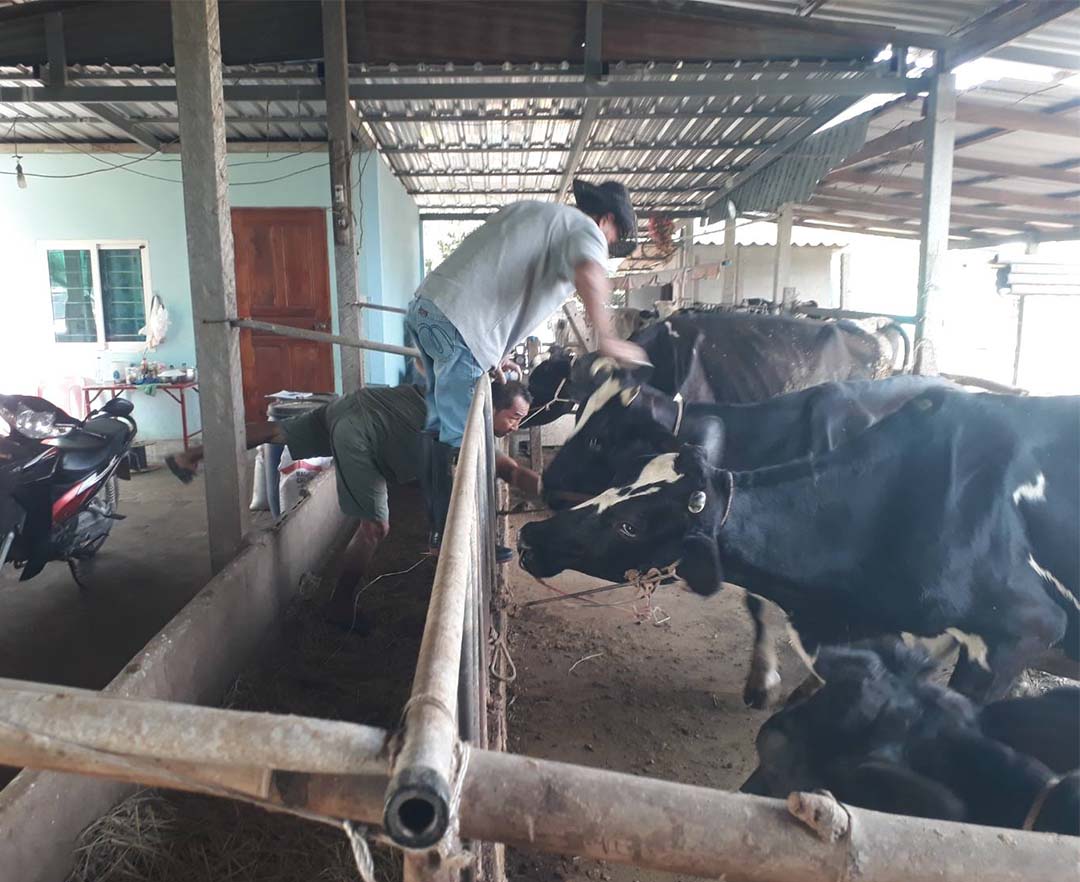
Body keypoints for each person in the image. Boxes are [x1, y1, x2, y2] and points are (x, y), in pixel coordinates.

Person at [164, 379, 539, 628]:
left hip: (354, 403)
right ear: (494, 408)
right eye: (514, 418)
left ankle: (189, 455)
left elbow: (503, 468)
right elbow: (492, 476)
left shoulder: (459, 390)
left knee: (277, 430)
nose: (515, 427)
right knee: (374, 528)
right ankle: (340, 608)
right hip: (361, 432)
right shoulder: (463, 425)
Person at [406, 178, 646, 551]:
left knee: (439, 431)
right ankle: (468, 548)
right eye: (614, 236)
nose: (610, 244)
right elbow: (590, 272)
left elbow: (496, 271)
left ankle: (439, 531)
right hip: (461, 328)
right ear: (607, 219)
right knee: (467, 445)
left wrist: (494, 349)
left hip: (429, 310)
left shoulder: (538, 214)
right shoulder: (587, 230)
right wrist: (608, 339)